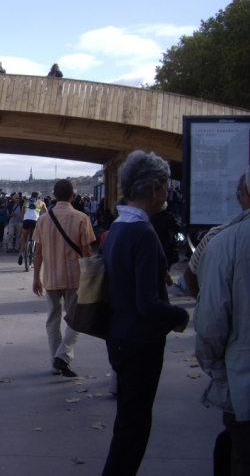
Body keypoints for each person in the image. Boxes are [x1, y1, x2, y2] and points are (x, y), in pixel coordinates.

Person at [100, 150, 190, 476]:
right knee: (134, 430)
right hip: (141, 342)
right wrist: (180, 317)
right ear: (154, 189)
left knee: (127, 423)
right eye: (165, 187)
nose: (167, 194)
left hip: (119, 337)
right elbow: (148, 304)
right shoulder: (144, 233)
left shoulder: (119, 228)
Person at [195, 169, 250, 476]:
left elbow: (211, 321)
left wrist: (215, 368)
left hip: (243, 381)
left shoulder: (225, 243)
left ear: (245, 195)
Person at [32, 180, 95, 377]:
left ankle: (55, 362)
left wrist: (36, 277)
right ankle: (63, 355)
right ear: (72, 196)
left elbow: (38, 252)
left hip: (50, 276)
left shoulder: (43, 219)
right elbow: (86, 251)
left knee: (53, 319)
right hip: (75, 276)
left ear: (54, 194)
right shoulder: (81, 218)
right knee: (76, 318)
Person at [183, 172, 250, 299]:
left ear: (239, 196)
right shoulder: (214, 235)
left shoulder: (215, 236)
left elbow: (190, 275)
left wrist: (203, 301)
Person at [18, 192, 47, 265]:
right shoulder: (41, 203)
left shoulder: (26, 202)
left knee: (24, 238)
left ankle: (21, 254)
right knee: (37, 239)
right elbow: (47, 214)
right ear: (38, 196)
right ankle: (35, 254)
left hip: (26, 221)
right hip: (36, 221)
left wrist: (23, 220)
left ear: (31, 196)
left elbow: (22, 213)